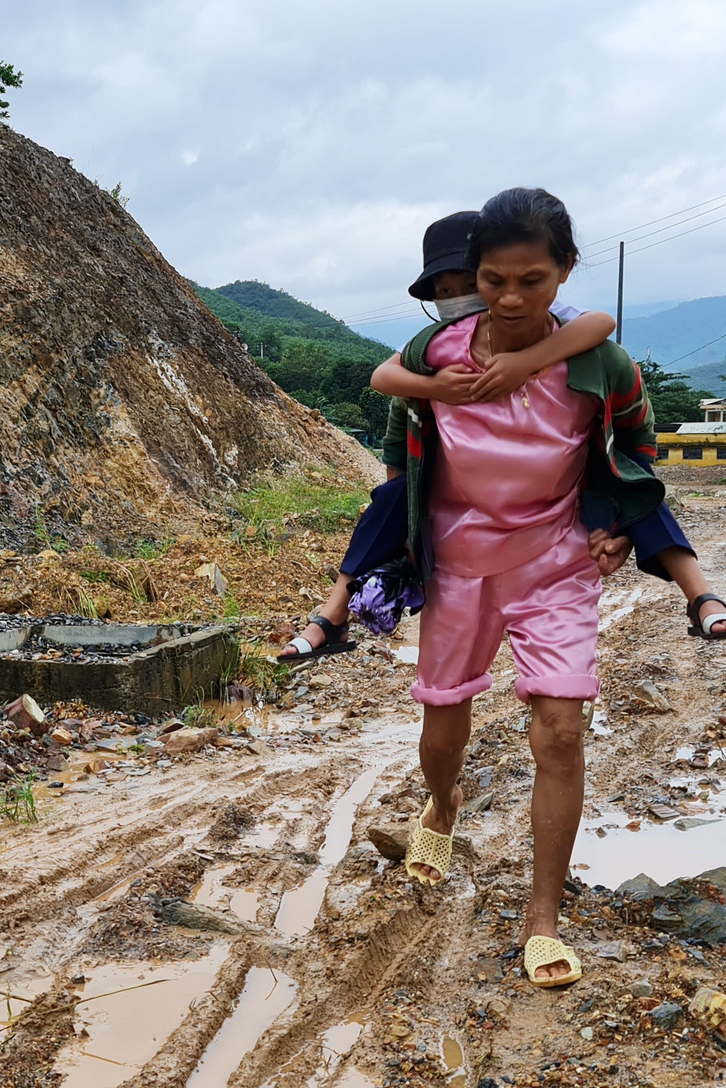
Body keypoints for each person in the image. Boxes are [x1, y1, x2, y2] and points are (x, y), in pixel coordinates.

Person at [375, 187, 659, 988]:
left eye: (532, 280)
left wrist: (620, 515)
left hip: (556, 563)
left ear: (564, 271)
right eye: (493, 279)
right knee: (442, 725)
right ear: (475, 275)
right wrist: (395, 539)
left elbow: (637, 438)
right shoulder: (439, 350)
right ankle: (443, 803)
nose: (509, 297)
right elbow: (393, 412)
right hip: (460, 563)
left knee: (561, 732)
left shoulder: (598, 360)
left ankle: (543, 918)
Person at [279, 212, 621, 661]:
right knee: (391, 502)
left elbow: (601, 323)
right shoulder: (436, 348)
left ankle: (698, 593)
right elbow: (388, 390)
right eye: (443, 293)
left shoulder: (545, 322)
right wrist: (436, 390)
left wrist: (529, 360)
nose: (457, 300)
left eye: (467, 285)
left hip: (543, 508)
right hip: (451, 498)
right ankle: (332, 615)